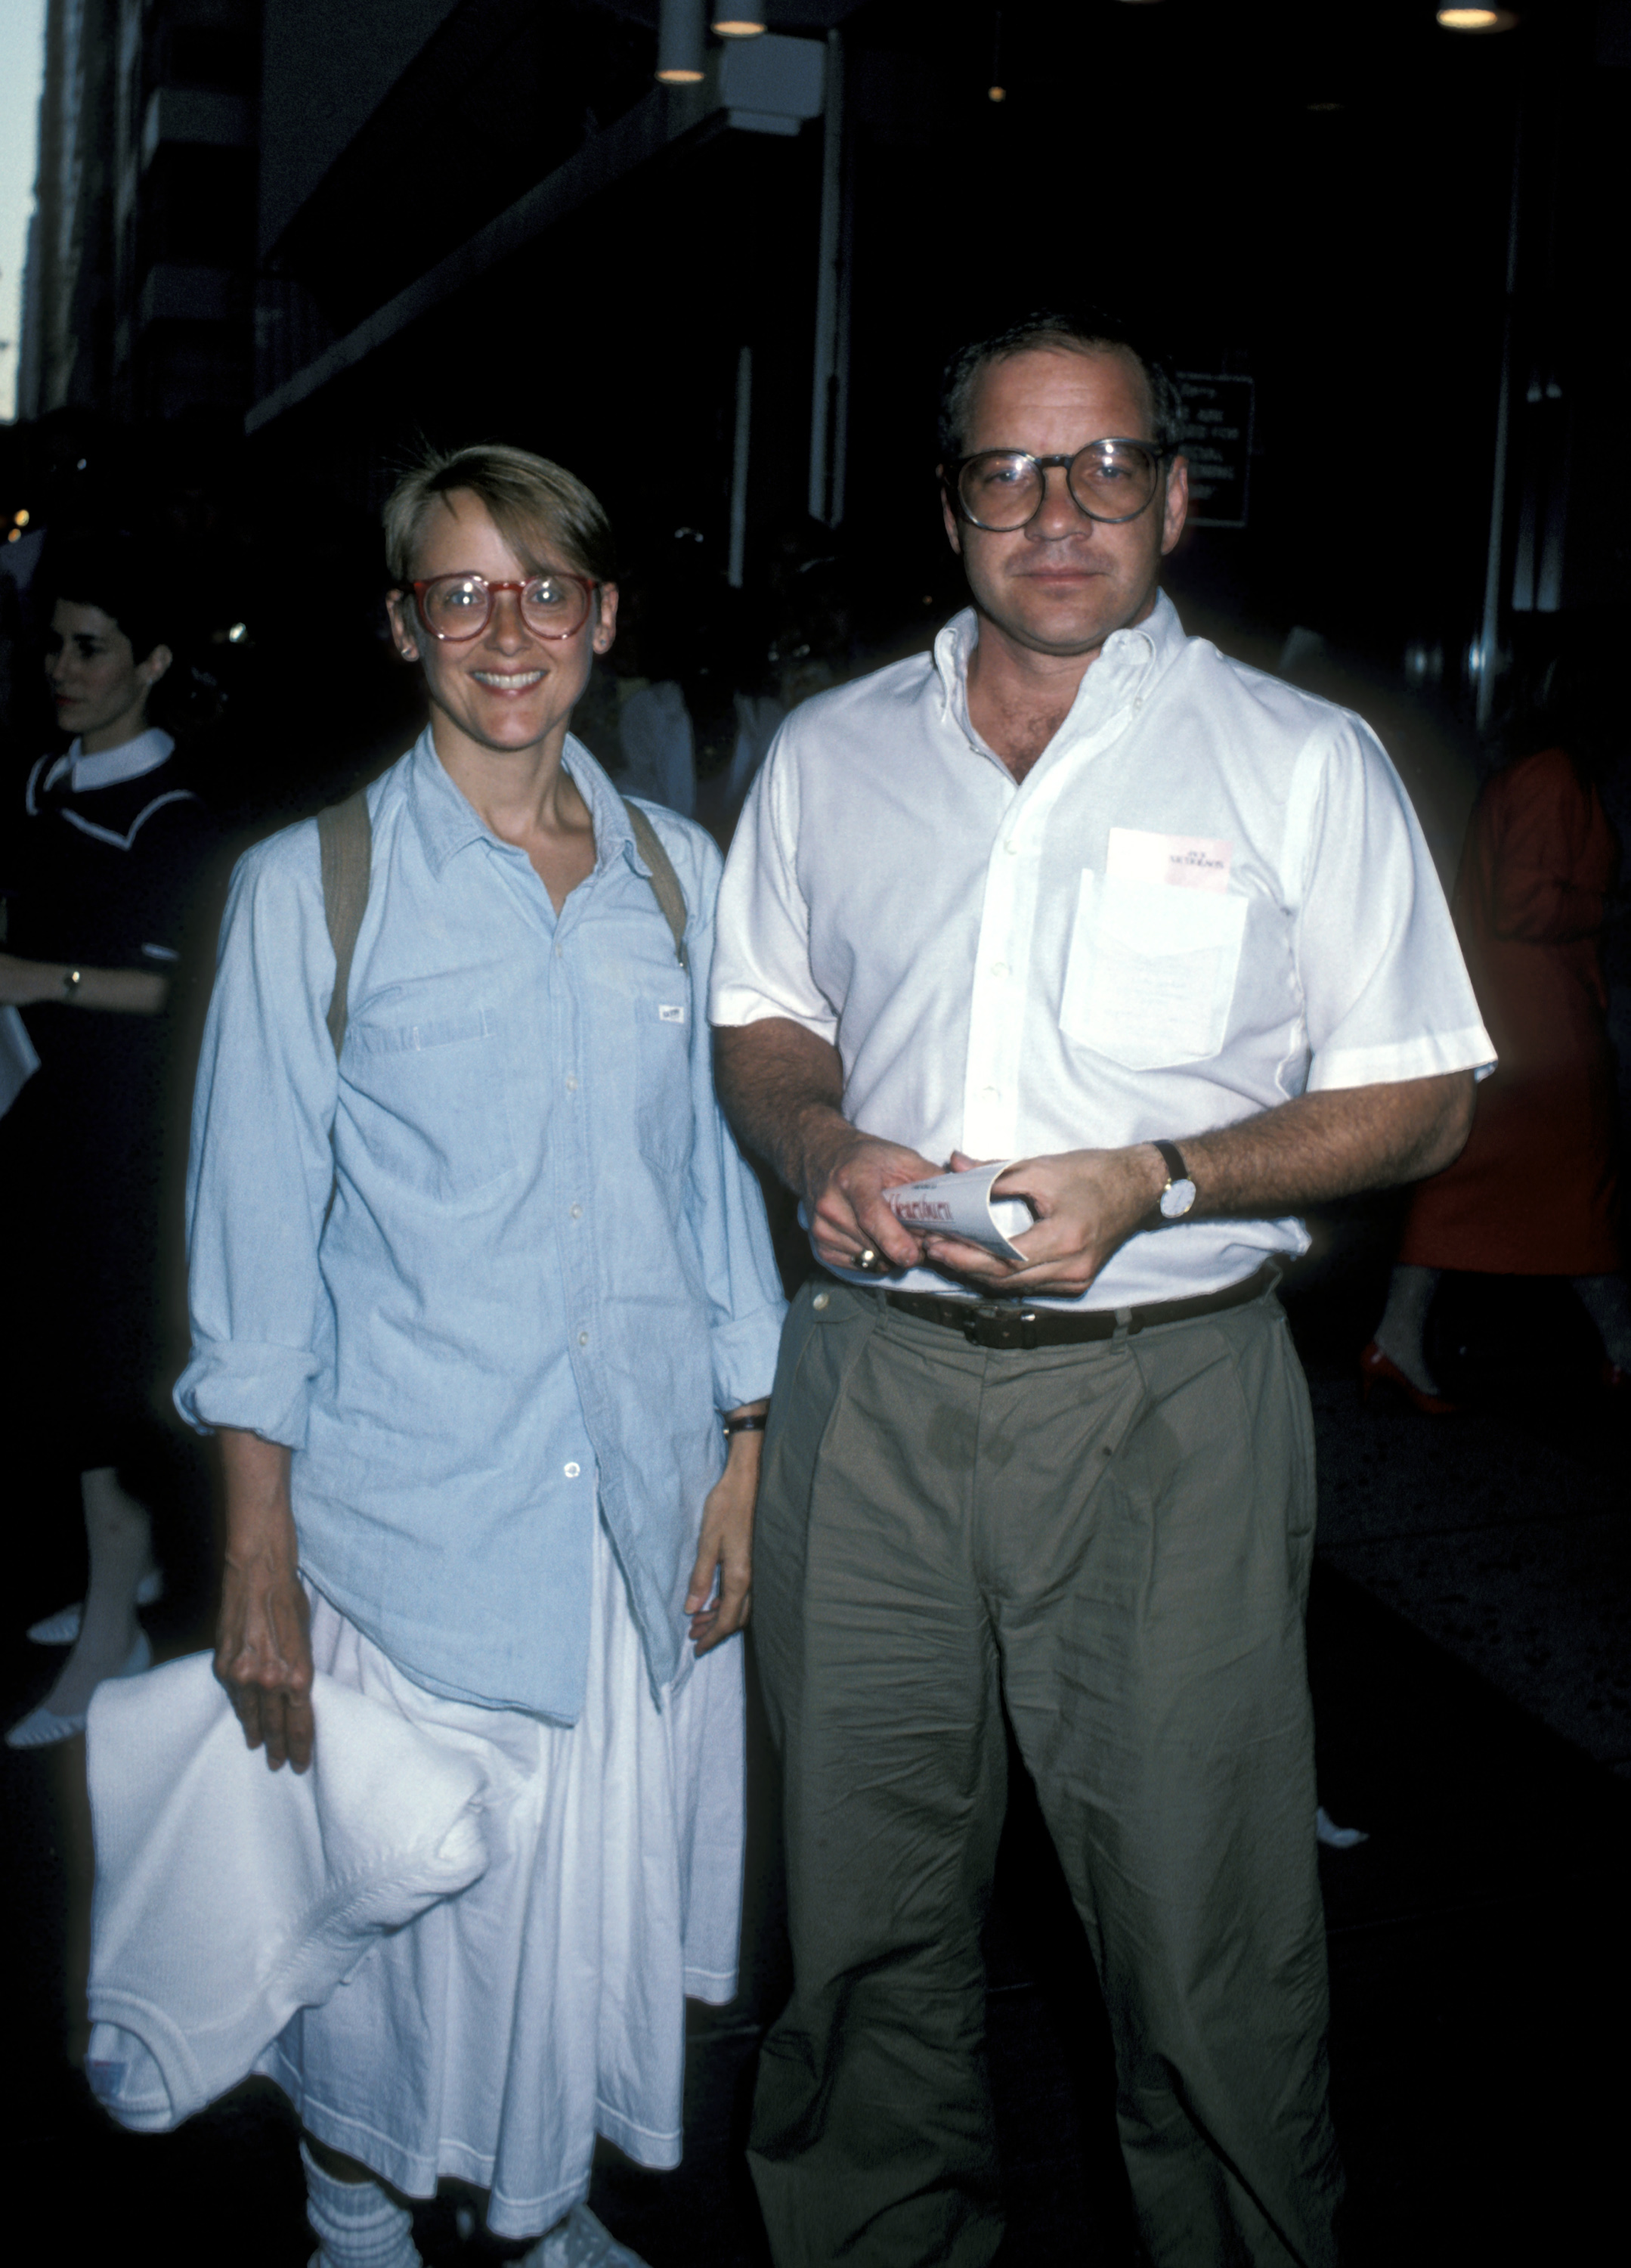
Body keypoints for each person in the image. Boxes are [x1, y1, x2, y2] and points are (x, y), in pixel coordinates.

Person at [708, 310, 1493, 2268]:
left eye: (1102, 467)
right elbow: (760, 1019)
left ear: (1171, 495)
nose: (1055, 512)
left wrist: (1161, 1177)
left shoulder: (1295, 762)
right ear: (949, 505)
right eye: (1008, 470)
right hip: (869, 1395)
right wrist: (817, 1146)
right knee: (857, 1933)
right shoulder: (826, 752)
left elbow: (1418, 1094)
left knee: (1199, 1944)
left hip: (1163, 1403)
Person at [173, 445, 785, 2267]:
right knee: (399, 1912)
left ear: (602, 618)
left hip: (630, 1507)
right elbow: (250, 1250)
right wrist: (256, 1552)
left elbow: (711, 1188)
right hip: (414, 1522)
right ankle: (354, 2216)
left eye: (543, 591)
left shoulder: (679, 874)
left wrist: (745, 1450)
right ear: (402, 626)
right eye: (461, 593)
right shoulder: (312, 886)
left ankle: (543, 2208)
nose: (505, 631)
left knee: (570, 1914)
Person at [3, 532, 214, 1746]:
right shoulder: (50, 779)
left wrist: (42, 978)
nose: (63, 669)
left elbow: (179, 989)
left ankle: (112, 1634)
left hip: (121, 1128)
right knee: (53, 1360)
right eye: (55, 646)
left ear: (154, 662)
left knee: (97, 1374)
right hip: (45, 1109)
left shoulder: (172, 813)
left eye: (92, 649)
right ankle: (114, 1578)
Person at [1363, 717, 1627, 1409]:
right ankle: (1624, 1349)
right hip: (1543, 1017)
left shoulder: (1525, 771)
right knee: (1581, 1181)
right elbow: (1526, 903)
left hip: (1508, 1008)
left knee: (1467, 1175)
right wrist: (1606, 908)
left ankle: (1396, 1337)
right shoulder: (1556, 775)